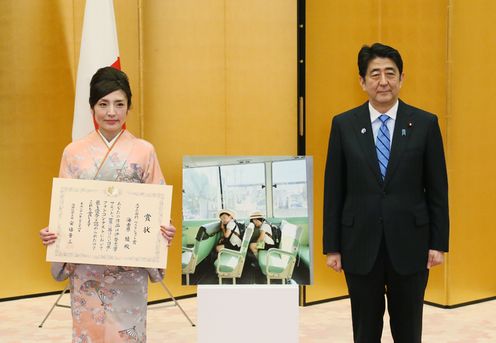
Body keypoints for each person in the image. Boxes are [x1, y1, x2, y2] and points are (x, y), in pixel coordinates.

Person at [323, 43, 449, 343]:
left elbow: (438, 189)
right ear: (362, 82)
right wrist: (333, 247)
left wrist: (438, 242)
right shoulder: (343, 125)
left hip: (411, 243)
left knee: (408, 330)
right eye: (375, 74)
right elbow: (334, 189)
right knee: (365, 330)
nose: (383, 81)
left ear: (402, 78)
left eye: (390, 73)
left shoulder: (425, 123)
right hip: (359, 244)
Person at [39, 66, 176, 343]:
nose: (111, 112)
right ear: (92, 107)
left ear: (129, 107)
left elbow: (157, 206)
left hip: (129, 267)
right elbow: (66, 209)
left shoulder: (144, 151)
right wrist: (53, 233)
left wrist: (165, 229)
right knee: (90, 329)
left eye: (119, 104)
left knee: (127, 332)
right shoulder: (73, 152)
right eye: (103, 104)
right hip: (87, 267)